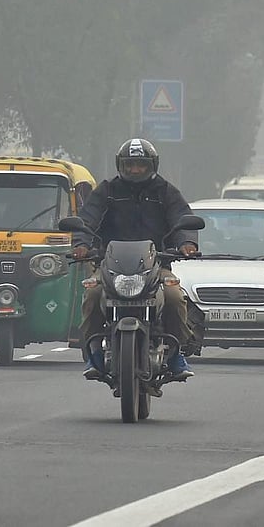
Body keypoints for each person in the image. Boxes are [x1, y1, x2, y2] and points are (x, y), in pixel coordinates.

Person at [72, 138, 200, 379]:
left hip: (156, 266)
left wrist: (186, 242)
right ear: (121, 165)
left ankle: (175, 354)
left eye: (140, 165)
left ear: (152, 165)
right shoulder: (108, 190)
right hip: (110, 268)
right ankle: (93, 354)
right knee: (92, 294)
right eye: (130, 164)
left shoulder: (165, 191)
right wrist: (81, 244)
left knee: (174, 297)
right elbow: (87, 219)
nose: (135, 170)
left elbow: (181, 216)